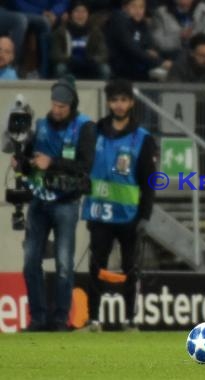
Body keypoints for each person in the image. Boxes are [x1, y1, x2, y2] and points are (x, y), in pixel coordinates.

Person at [17, 77, 96, 331]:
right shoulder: (39, 125)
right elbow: (27, 159)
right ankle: (37, 318)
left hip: (66, 203)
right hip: (39, 201)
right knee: (30, 262)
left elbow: (85, 166)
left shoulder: (85, 127)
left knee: (63, 264)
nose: (57, 109)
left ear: (72, 105)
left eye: (62, 106)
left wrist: (53, 163)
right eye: (54, 104)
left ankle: (60, 319)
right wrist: (21, 164)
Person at [81, 79, 156, 332]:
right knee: (96, 266)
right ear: (108, 102)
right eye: (114, 100)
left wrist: (145, 215)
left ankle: (129, 320)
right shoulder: (94, 132)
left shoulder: (142, 138)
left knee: (130, 269)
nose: (119, 105)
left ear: (131, 102)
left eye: (124, 100)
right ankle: (94, 319)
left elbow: (149, 181)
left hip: (129, 215)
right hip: (99, 212)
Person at [50, 1, 110, 80]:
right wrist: (69, 59)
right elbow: (55, 53)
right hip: (70, 64)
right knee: (60, 68)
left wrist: (94, 60)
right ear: (71, 14)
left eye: (83, 12)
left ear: (88, 14)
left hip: (89, 65)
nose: (80, 15)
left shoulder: (95, 32)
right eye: (77, 11)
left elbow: (103, 53)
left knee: (105, 69)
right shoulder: (61, 31)